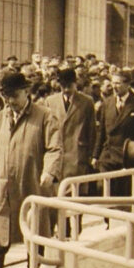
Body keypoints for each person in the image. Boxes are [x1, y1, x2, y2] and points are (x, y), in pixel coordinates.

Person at [0, 72, 61, 268]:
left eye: (15, 96)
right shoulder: (0, 118)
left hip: (31, 180)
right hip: (4, 182)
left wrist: (50, 172)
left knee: (35, 225)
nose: (11, 101)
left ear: (26, 92)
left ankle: (35, 266)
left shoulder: (44, 116)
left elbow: (55, 148)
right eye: (7, 97)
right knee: (0, 225)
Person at [92, 69, 134, 197]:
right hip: (108, 155)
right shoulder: (107, 103)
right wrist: (96, 155)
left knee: (124, 194)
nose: (114, 86)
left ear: (128, 84)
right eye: (113, 83)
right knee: (106, 192)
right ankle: (106, 217)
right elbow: (101, 132)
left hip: (127, 156)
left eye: (118, 83)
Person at [42, 67, 96, 195]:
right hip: (58, 155)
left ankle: (78, 216)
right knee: (58, 195)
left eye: (69, 86)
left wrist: (91, 155)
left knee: (78, 194)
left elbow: (92, 130)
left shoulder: (86, 102)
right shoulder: (50, 101)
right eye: (63, 86)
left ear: (76, 83)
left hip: (78, 154)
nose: (66, 89)